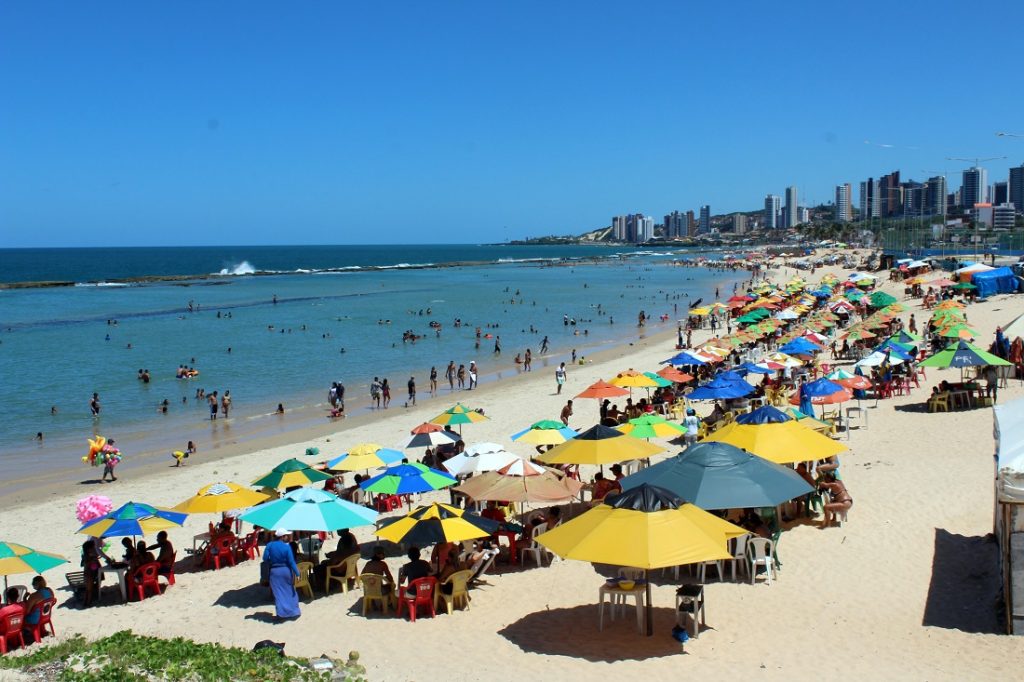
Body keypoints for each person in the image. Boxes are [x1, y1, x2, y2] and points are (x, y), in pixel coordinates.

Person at [262, 530, 301, 620]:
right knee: (289, 591)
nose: (287, 537)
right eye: (286, 535)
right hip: (286, 571)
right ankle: (294, 611)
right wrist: (297, 573)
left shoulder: (269, 545)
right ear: (282, 536)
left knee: (278, 593)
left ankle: (282, 614)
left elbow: (265, 559)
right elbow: (291, 562)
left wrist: (272, 560)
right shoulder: (286, 547)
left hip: (274, 572)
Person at [21, 576, 54, 642]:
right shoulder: (49, 591)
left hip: (35, 619)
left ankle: (24, 635)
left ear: (37, 584)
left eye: (33, 583)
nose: (32, 585)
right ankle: (42, 630)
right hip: (46, 616)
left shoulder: (34, 596)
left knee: (20, 618)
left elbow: (27, 611)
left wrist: (24, 599)